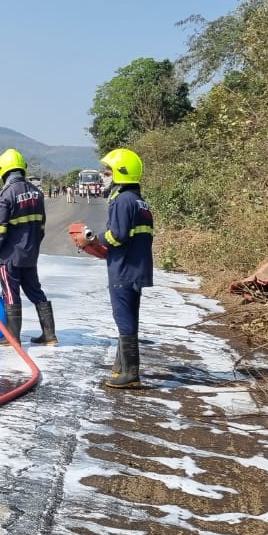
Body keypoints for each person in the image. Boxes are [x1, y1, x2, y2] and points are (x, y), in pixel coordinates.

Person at [0, 149, 57, 346]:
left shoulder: (6, 195)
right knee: (36, 292)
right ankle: (49, 335)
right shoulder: (37, 193)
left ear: (3, 172)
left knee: (10, 293)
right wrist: (31, 248)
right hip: (30, 255)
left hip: (9, 257)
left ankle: (12, 337)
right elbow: (41, 228)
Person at [94, 148, 154, 388]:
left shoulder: (122, 200)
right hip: (137, 268)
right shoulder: (140, 201)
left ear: (120, 172)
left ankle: (130, 374)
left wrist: (96, 239)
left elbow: (117, 236)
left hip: (124, 268)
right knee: (129, 317)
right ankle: (121, 368)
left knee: (124, 318)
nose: (104, 174)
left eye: (107, 171)